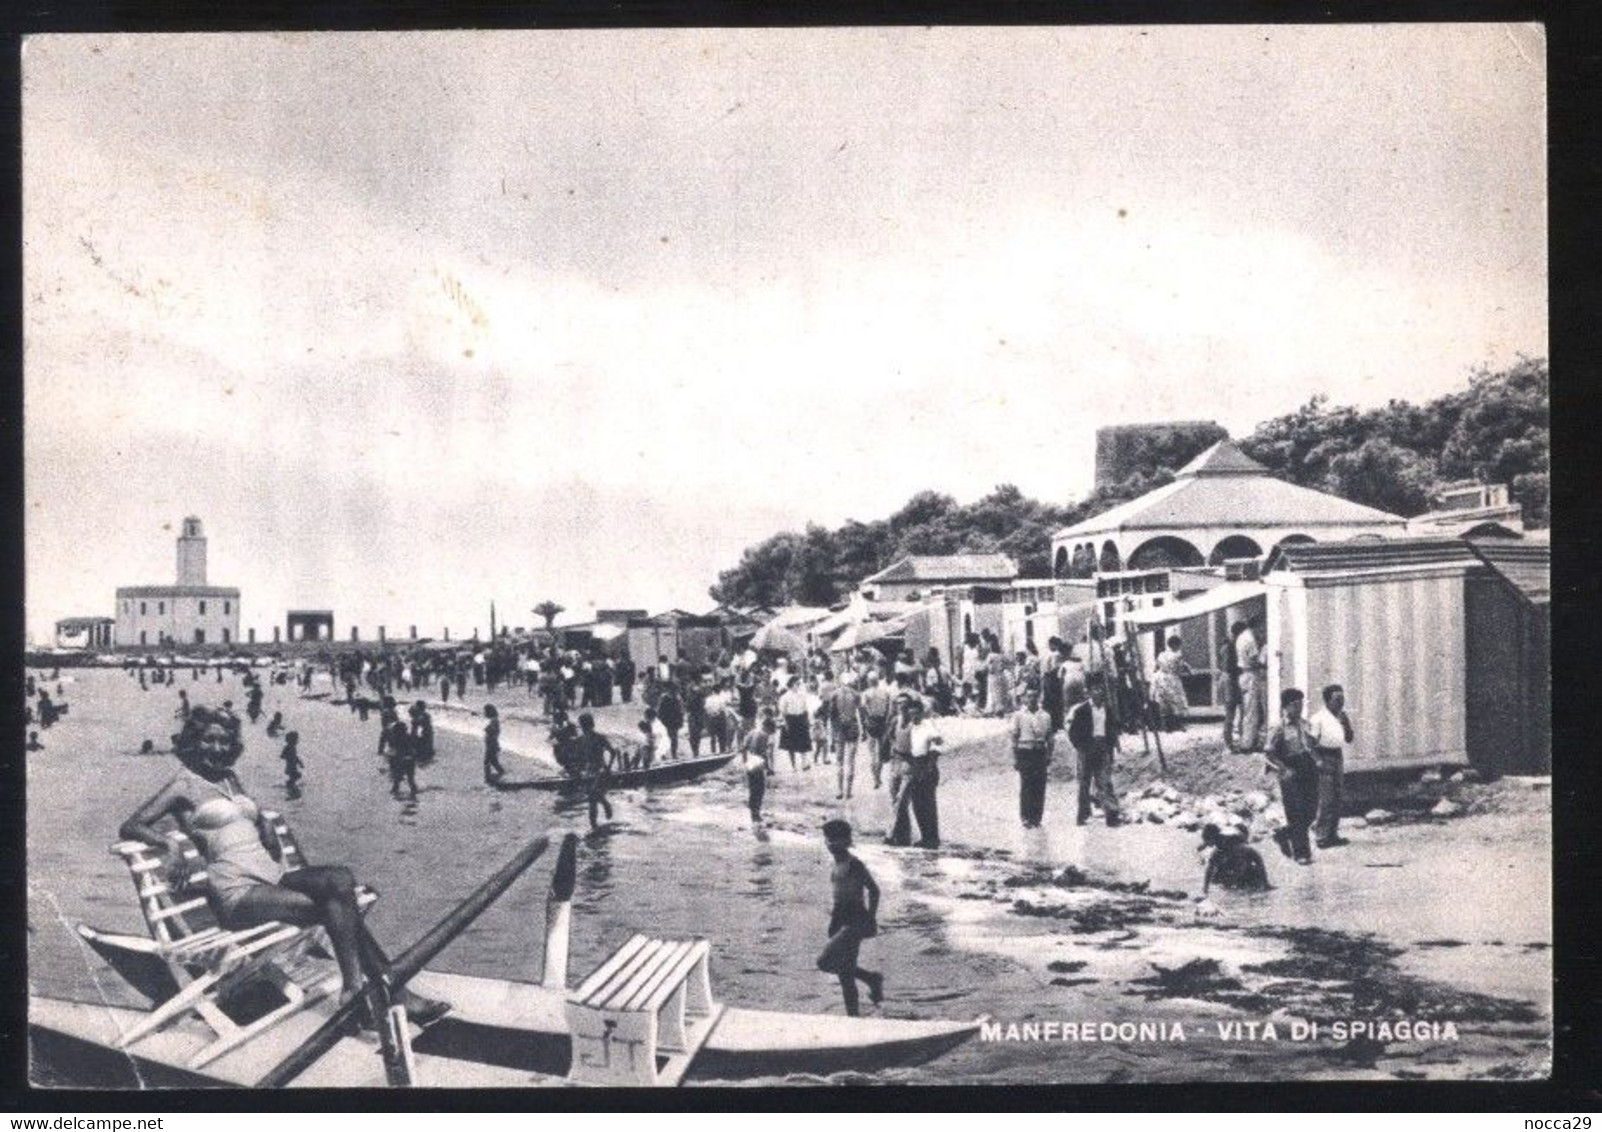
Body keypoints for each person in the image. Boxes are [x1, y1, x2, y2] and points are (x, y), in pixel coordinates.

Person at [118, 707, 448, 1027]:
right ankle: (383, 990)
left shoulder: (230, 779)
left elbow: (247, 818)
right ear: (194, 741)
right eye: (208, 740)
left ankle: (359, 989)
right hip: (237, 893)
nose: (216, 748)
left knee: (340, 879)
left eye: (224, 742)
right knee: (335, 907)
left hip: (273, 878)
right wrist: (170, 844)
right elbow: (132, 824)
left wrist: (261, 822)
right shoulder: (183, 785)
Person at [816, 820, 883, 1017]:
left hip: (854, 920)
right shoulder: (837, 864)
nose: (829, 844)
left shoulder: (854, 864)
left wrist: (870, 918)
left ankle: (871, 978)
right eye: (827, 840)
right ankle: (853, 1018)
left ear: (845, 841)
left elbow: (874, 890)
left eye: (834, 840)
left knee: (824, 962)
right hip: (840, 919)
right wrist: (833, 922)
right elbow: (840, 896)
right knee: (845, 975)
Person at [1264, 689, 1319, 865]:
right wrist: (1283, 768)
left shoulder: (1305, 724)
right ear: (1285, 707)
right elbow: (1269, 753)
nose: (1299, 708)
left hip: (1308, 768)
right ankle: (1302, 853)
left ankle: (1284, 834)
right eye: (1295, 705)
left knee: (1311, 810)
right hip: (1290, 770)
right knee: (1296, 813)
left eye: (1301, 704)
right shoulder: (1278, 728)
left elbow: (1312, 744)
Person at [1066, 676, 1124, 827]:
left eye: (1100, 689)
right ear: (1089, 692)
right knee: (1084, 782)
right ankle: (1083, 815)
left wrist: (1111, 747)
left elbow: (1113, 730)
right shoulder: (1081, 710)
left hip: (1102, 746)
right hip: (1086, 748)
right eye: (1095, 690)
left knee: (1105, 781)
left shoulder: (1108, 710)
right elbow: (1073, 733)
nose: (1098, 692)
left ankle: (1111, 814)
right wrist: (1081, 746)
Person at [1306, 683, 1355, 849]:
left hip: (1337, 756)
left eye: (1342, 698)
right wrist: (1317, 760)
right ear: (1327, 701)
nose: (1341, 702)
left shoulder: (1342, 716)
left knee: (1338, 796)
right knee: (1326, 798)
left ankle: (1332, 835)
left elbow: (1349, 738)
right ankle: (1321, 836)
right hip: (1324, 755)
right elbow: (1309, 743)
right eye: (1337, 699)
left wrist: (1346, 724)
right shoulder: (1318, 718)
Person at [1011, 687, 1054, 829]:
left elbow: (1050, 737)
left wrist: (1049, 755)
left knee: (1039, 786)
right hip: (1025, 751)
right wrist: (1015, 757)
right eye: (1029, 696)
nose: (1031, 699)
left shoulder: (1046, 716)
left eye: (1034, 696)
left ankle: (1037, 817)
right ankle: (1025, 817)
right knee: (1026, 786)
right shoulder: (1019, 715)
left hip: (1039, 751)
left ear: (1039, 698)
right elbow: (1014, 737)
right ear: (1024, 698)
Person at [571, 713, 617, 830]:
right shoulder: (580, 740)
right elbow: (578, 758)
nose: (585, 727)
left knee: (592, 795)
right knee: (592, 800)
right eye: (583, 725)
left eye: (586, 725)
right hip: (588, 771)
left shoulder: (600, 738)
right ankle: (594, 825)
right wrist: (578, 770)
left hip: (601, 769)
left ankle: (605, 806)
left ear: (591, 725)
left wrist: (608, 767)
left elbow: (612, 752)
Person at [1200, 823, 1271, 894]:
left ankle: (1255, 883)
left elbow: (1257, 858)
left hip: (1245, 870)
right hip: (1239, 864)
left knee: (1243, 874)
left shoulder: (1230, 845)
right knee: (1217, 877)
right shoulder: (1220, 847)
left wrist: (1266, 883)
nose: (1207, 844)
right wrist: (1205, 888)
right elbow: (1210, 869)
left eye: (1207, 840)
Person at [1236, 618, 1267, 752]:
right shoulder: (1250, 640)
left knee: (1247, 709)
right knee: (1252, 711)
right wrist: (1265, 665)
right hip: (1251, 675)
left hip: (1244, 674)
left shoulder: (1241, 637)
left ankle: (1247, 741)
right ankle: (1248, 744)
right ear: (1256, 626)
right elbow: (1255, 660)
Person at [860, 670, 894, 790]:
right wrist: (886, 721)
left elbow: (863, 708)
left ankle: (875, 779)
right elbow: (890, 711)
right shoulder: (885, 693)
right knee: (880, 752)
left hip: (871, 723)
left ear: (869, 681)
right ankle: (878, 777)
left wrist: (866, 721)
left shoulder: (866, 694)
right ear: (877, 681)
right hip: (882, 723)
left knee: (872, 753)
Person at [831, 674, 863, 800]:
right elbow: (861, 712)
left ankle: (839, 790)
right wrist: (864, 731)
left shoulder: (834, 694)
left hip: (839, 728)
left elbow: (832, 715)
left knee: (839, 761)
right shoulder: (856, 694)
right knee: (851, 761)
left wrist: (832, 734)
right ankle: (848, 792)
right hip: (852, 727)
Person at [1150, 635, 1190, 731]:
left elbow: (1155, 668)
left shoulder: (1161, 654)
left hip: (1160, 678)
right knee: (1177, 701)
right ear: (1176, 645)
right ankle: (1178, 724)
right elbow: (1179, 670)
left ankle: (1165, 725)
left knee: (1163, 701)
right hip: (1172, 678)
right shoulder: (1178, 655)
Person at [743, 715, 776, 825]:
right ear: (768, 728)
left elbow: (743, 748)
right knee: (760, 789)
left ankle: (753, 813)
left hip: (750, 761)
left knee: (753, 789)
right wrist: (768, 768)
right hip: (758, 762)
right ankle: (756, 814)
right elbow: (763, 753)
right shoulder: (764, 735)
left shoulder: (752, 732)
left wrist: (745, 761)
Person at [778, 676, 812, 772]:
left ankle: (804, 763)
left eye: (799, 684)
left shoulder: (801, 695)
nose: (798, 686)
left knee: (804, 743)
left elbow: (805, 709)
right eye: (797, 684)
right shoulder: (785, 697)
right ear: (792, 684)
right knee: (790, 745)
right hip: (790, 720)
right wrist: (785, 723)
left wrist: (807, 720)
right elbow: (783, 712)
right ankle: (793, 766)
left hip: (801, 718)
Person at [386, 721, 417, 800]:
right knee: (410, 777)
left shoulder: (395, 739)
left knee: (397, 775)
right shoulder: (407, 737)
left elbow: (393, 750)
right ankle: (413, 789)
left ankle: (395, 788)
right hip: (409, 759)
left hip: (399, 759)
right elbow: (413, 746)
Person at [655, 683, 685, 760]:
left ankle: (674, 754)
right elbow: (659, 710)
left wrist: (681, 720)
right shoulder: (664, 697)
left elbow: (681, 710)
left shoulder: (678, 698)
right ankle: (663, 754)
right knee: (665, 738)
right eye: (673, 690)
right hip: (666, 721)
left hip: (675, 721)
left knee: (674, 738)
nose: (674, 692)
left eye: (675, 690)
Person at [482, 704, 505, 785]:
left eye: (485, 712)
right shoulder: (494, 720)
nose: (484, 713)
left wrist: (487, 729)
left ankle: (488, 777)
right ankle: (499, 773)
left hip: (491, 744)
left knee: (488, 761)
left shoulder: (494, 721)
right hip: (492, 743)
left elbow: (493, 731)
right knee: (493, 761)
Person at [409, 701, 436, 765]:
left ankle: (422, 752)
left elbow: (416, 725)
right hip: (427, 732)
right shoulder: (425, 715)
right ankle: (427, 751)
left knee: (416, 740)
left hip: (425, 733)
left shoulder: (422, 716)